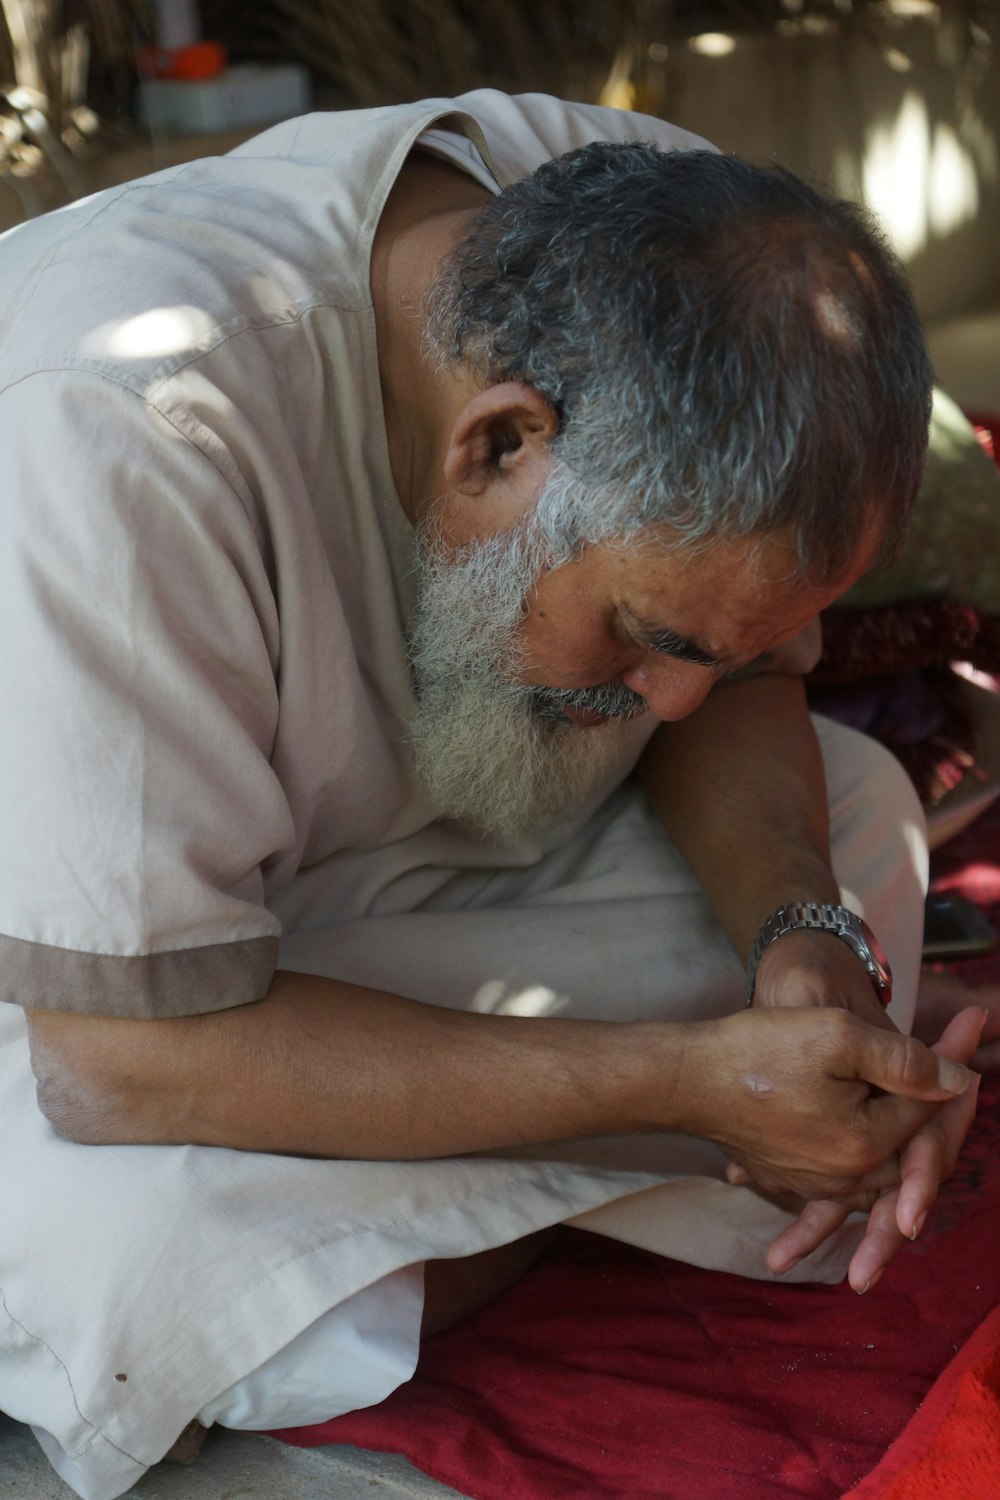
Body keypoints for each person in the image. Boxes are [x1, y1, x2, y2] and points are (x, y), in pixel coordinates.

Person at [0, 90, 984, 1498]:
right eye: (651, 636)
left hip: (372, 910)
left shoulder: (733, 270)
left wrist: (804, 951)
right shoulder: (122, 422)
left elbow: (751, 681)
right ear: (500, 443)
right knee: (131, 1273)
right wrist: (678, 1087)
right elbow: (119, 1058)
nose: (683, 704)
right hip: (86, 978)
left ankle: (507, 1190)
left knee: (859, 803)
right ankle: (641, 1178)